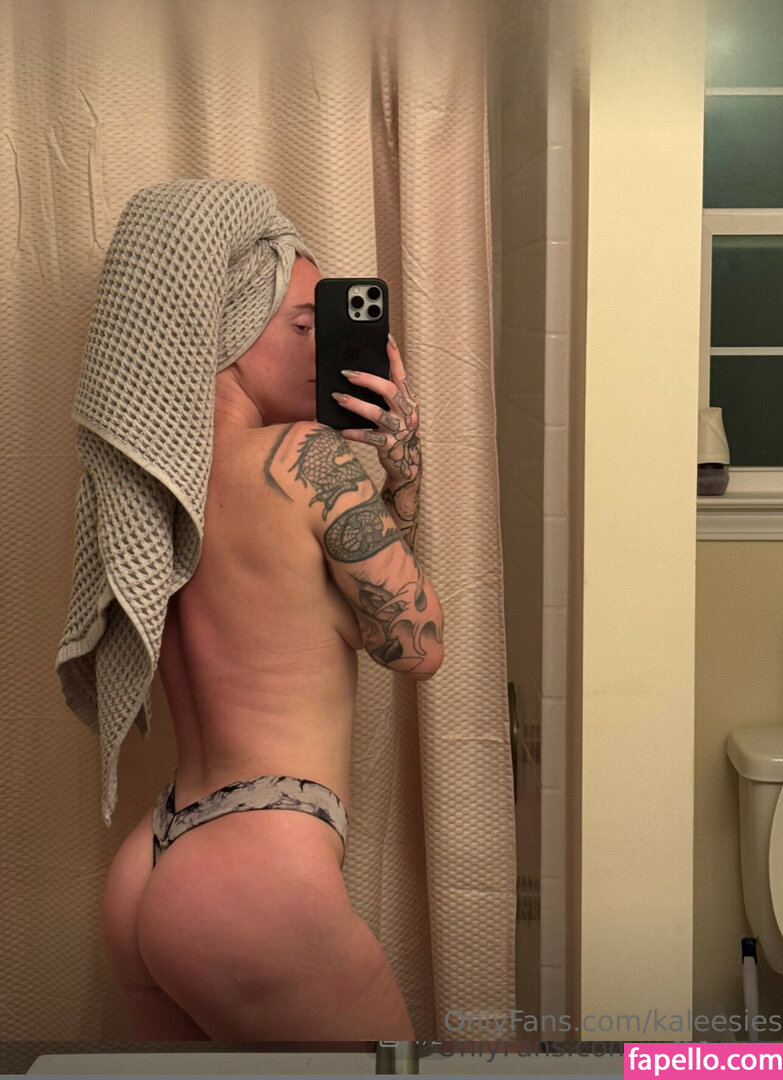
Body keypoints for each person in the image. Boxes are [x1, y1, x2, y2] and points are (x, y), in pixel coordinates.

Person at [100, 251, 445, 1040]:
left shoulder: (149, 485)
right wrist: (402, 472)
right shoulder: (307, 458)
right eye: (301, 324)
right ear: (223, 333)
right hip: (254, 878)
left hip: (154, 858)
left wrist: (396, 490)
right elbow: (415, 647)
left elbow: (340, 617)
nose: (325, 344)